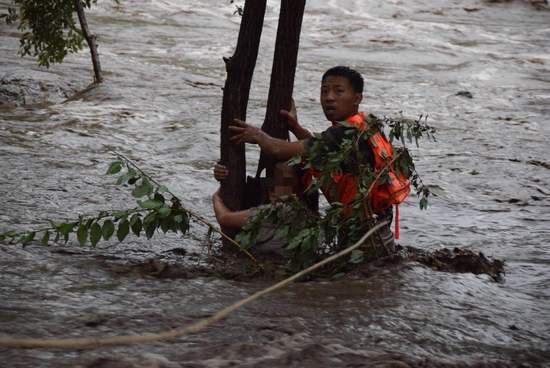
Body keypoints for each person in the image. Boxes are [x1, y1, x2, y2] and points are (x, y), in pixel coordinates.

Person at [220, 66, 396, 252]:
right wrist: (295, 128)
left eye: (339, 91)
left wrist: (258, 136)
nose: (329, 97)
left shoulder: (345, 133)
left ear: (357, 99)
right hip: (375, 229)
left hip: (367, 238)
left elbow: (279, 149)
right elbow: (320, 147)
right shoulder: (364, 125)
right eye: (324, 91)